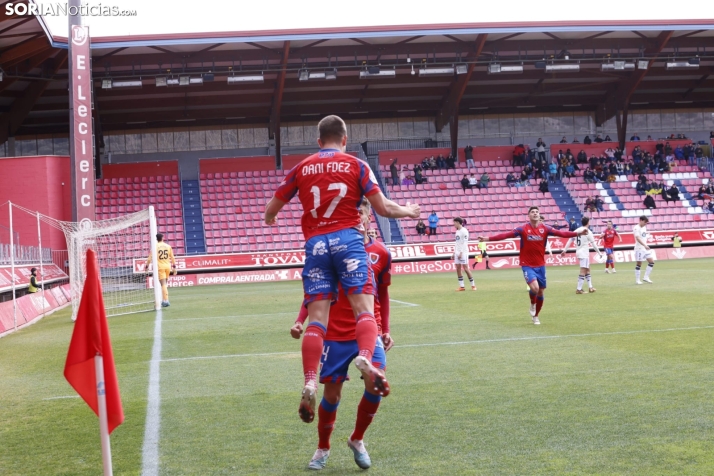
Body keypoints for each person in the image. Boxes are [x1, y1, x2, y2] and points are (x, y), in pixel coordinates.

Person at [265, 115, 420, 423]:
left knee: (317, 318)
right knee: (364, 310)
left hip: (316, 246)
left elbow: (272, 209)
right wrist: (410, 211)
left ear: (319, 141)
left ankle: (310, 379)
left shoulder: (302, 167)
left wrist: (272, 218)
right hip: (348, 242)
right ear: (345, 139)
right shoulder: (356, 165)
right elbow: (384, 209)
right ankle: (365, 357)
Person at [291, 199, 393, 470]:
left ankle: (357, 439)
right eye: (353, 213)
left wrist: (386, 329)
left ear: (369, 218)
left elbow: (382, 293)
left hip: (367, 332)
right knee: (332, 396)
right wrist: (301, 320)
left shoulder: (380, 253)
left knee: (375, 385)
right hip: (333, 335)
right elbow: (315, 292)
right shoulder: (330, 248)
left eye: (361, 213)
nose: (358, 218)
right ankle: (323, 448)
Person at [477, 207, 585, 325]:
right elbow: (506, 235)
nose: (535, 213)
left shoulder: (546, 228)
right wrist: (487, 239)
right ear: (528, 215)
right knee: (535, 288)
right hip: (527, 264)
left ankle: (536, 316)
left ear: (539, 215)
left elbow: (562, 233)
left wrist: (577, 233)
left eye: (537, 212)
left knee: (541, 292)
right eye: (532, 212)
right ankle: (532, 304)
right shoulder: (523, 229)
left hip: (540, 265)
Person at [561, 216, 602, 294]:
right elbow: (594, 245)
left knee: (588, 269)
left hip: (579, 252)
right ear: (588, 222)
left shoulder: (577, 230)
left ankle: (590, 287)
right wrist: (599, 253)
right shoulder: (588, 232)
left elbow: (570, 239)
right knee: (583, 270)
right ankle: (579, 289)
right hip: (584, 253)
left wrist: (564, 250)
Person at [144, 233, 177, 307]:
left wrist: (147, 266)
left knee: (163, 284)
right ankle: (164, 299)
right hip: (167, 266)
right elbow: (172, 257)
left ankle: (166, 300)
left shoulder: (155, 246)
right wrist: (174, 267)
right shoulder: (168, 246)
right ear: (163, 238)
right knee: (164, 284)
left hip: (160, 267)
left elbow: (150, 258)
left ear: (156, 239)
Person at [451, 217, 476, 291]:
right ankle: (462, 286)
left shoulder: (464, 231)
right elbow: (457, 243)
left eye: (454, 222)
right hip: (457, 252)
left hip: (464, 252)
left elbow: (465, 243)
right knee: (458, 268)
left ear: (458, 222)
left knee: (466, 268)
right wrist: (454, 252)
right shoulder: (457, 231)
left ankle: (473, 285)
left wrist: (461, 252)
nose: (453, 224)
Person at [633, 216, 654, 284]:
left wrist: (645, 245)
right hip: (639, 249)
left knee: (651, 262)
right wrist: (645, 245)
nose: (646, 224)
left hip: (645, 249)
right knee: (639, 264)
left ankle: (646, 277)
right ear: (641, 220)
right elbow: (638, 238)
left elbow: (643, 237)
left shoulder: (644, 227)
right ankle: (637, 280)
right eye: (645, 222)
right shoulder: (636, 228)